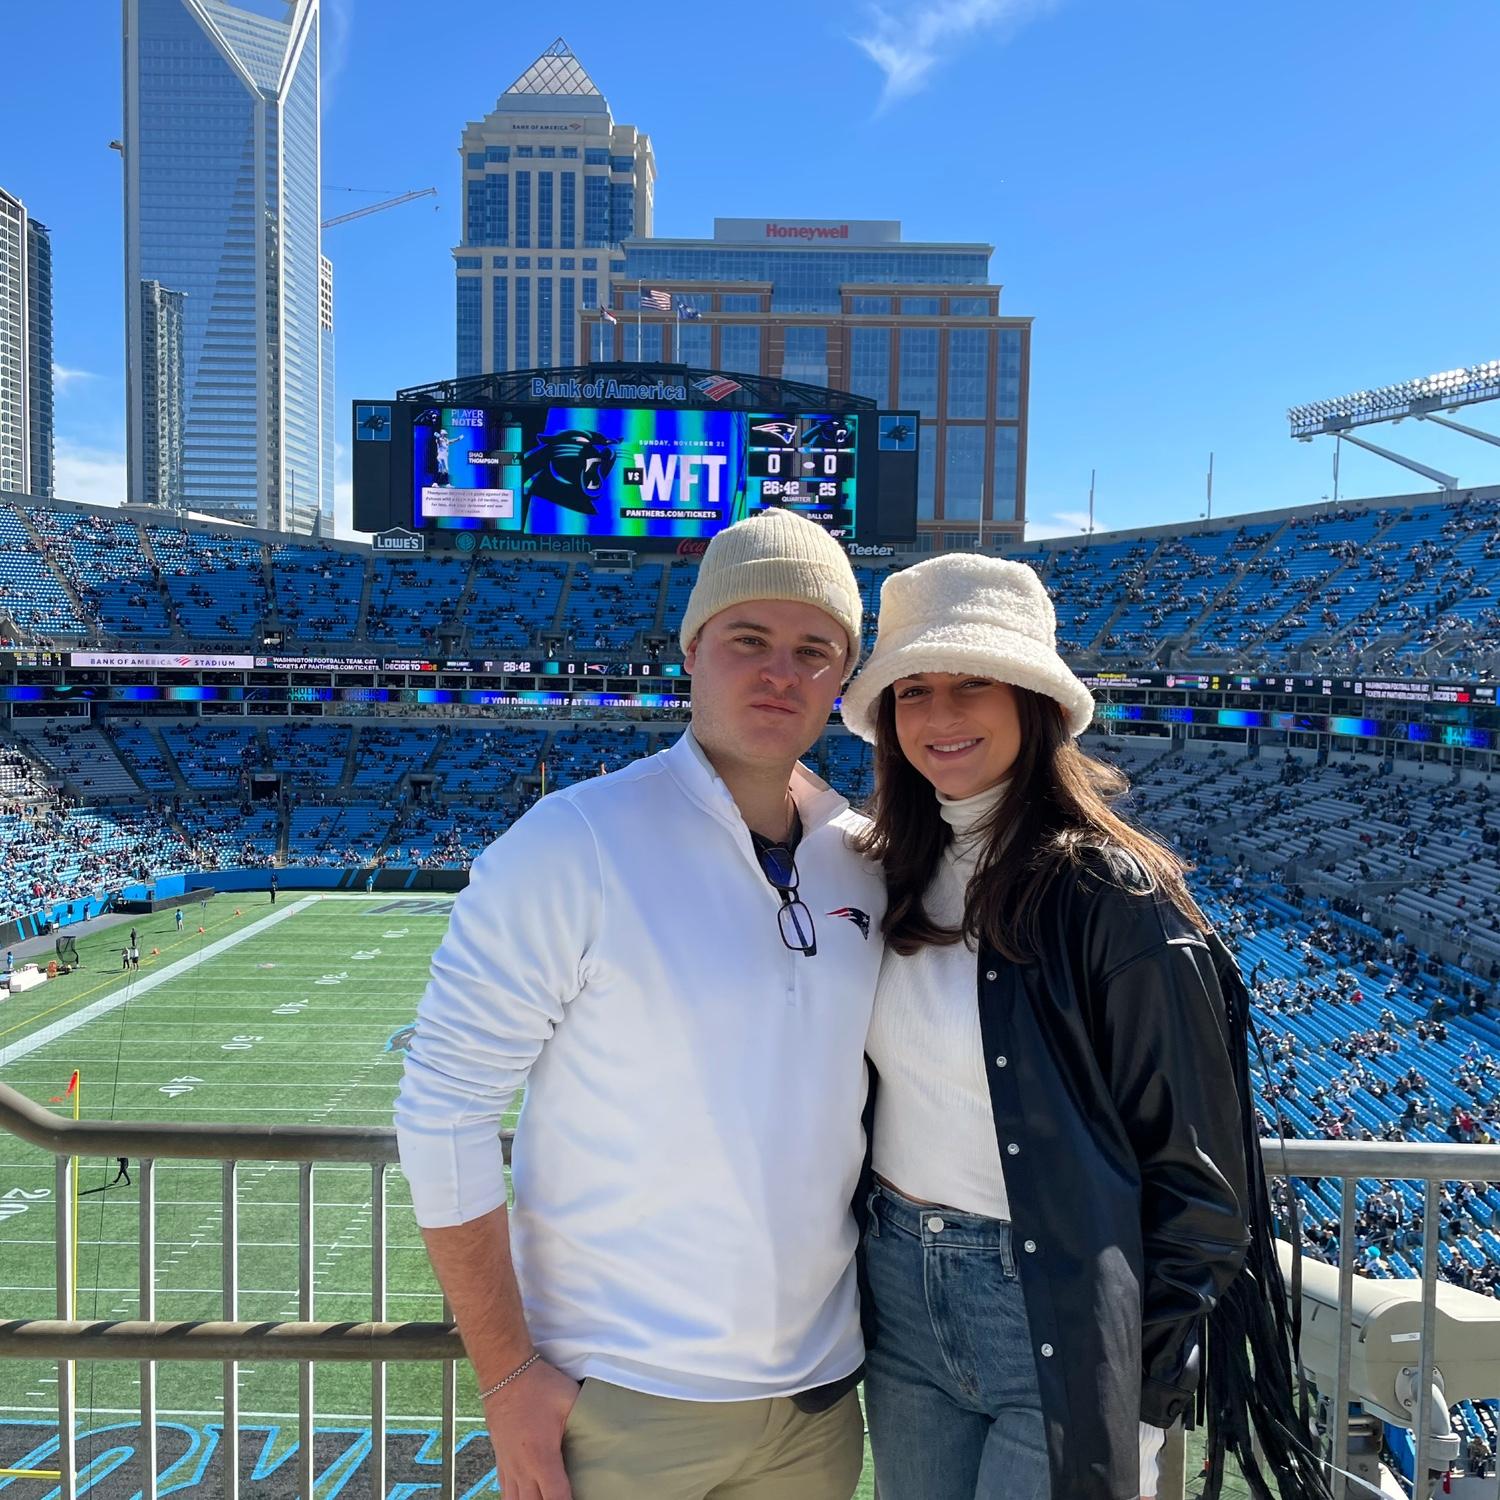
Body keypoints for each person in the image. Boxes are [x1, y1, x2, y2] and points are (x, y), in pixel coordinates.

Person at [395, 510, 885, 1500]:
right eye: (749, 639)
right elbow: (443, 1108)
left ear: (844, 676)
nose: (780, 673)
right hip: (622, 1399)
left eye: (813, 650)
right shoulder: (574, 841)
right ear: (692, 648)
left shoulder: (866, 856)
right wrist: (507, 1374)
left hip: (821, 1402)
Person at [840, 555, 1330, 1500]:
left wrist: (1140, 1385)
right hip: (900, 1294)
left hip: (1051, 1304)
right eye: (914, 691)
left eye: (973, 683)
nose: (939, 715)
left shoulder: (1112, 893)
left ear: (1033, 701)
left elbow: (1200, 1179)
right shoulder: (885, 870)